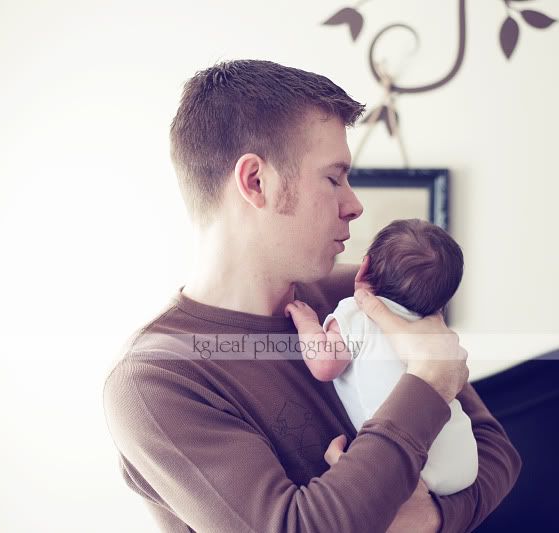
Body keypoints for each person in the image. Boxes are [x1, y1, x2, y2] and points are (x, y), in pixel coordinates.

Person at [103, 59, 521, 532]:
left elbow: (496, 451)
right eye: (334, 177)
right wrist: (425, 381)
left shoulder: (361, 295)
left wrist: (429, 519)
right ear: (255, 182)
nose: (355, 204)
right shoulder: (155, 381)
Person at [287, 219, 478, 496]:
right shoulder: (430, 332)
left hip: (408, 467)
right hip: (464, 460)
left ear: (363, 269)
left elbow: (325, 364)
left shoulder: (356, 312)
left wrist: (307, 324)